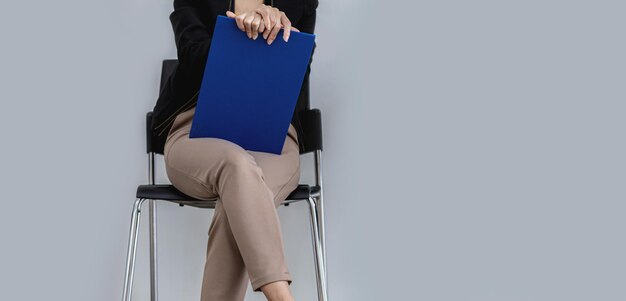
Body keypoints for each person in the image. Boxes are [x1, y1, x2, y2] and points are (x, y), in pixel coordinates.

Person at [150, 0, 318, 300]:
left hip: (273, 137)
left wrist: (281, 33)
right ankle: (281, 296)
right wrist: (240, 29)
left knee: (239, 196)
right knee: (238, 167)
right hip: (194, 132)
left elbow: (296, 76)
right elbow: (191, 55)